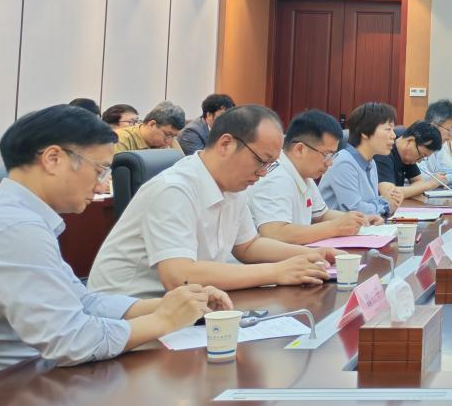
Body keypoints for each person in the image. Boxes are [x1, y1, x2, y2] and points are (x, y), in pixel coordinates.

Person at [0, 106, 230, 385]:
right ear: (53, 159)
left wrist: (176, 304)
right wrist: (164, 321)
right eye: (100, 170)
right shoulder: (14, 228)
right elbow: (72, 342)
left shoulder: (16, 215)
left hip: (32, 380)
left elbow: (83, 302)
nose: (103, 186)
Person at [89, 105, 331, 297]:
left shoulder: (234, 187)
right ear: (226, 144)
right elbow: (179, 276)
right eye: (261, 161)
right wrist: (276, 272)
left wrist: (312, 255)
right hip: (130, 310)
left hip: (185, 305)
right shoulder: (175, 189)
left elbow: (248, 246)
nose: (263, 173)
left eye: (270, 165)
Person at [251, 110, 383, 244]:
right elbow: (275, 234)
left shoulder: (304, 174)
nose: (330, 163)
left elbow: (321, 215)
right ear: (299, 149)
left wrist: (360, 219)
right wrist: (334, 228)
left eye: (333, 155)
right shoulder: (276, 178)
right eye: (327, 154)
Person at [320, 101, 397, 216]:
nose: (394, 135)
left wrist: (389, 201)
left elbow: (371, 202)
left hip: (364, 226)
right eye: (388, 129)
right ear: (365, 132)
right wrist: (387, 205)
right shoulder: (344, 162)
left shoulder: (371, 162)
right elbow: (354, 210)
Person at [376, 120, 446, 201]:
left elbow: (419, 181)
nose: (419, 161)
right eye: (421, 155)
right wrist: (430, 184)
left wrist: (405, 191)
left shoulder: (407, 157)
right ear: (410, 141)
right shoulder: (384, 151)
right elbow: (389, 194)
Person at [417, 99, 452, 186]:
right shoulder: (418, 143)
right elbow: (422, 178)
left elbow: (444, 171)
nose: (451, 132)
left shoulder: (439, 145)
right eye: (449, 128)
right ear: (434, 126)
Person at [112, 101, 185, 153]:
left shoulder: (167, 139)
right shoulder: (120, 139)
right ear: (152, 124)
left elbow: (182, 164)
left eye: (173, 136)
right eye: (167, 135)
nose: (168, 142)